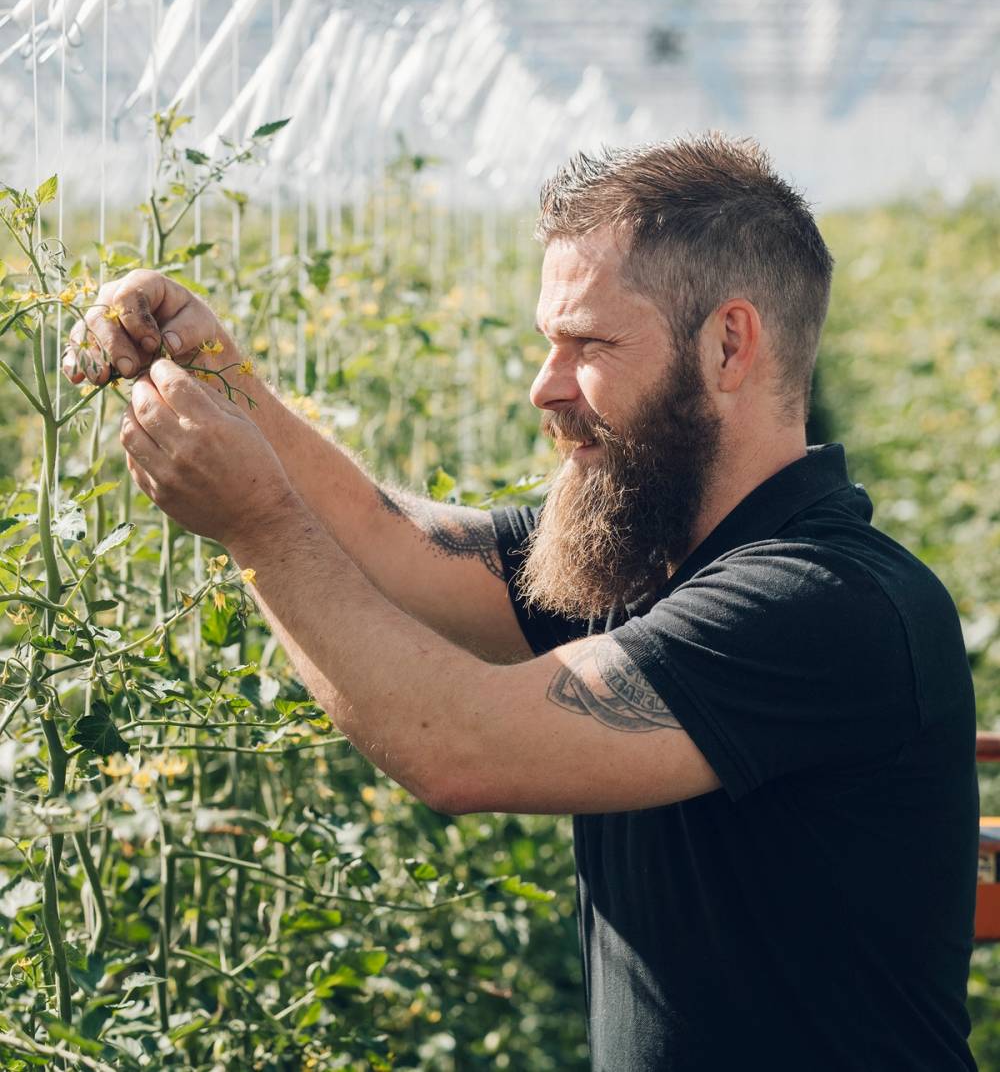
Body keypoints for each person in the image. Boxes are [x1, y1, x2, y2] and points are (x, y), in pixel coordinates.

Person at [62, 132, 979, 1072]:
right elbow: (394, 547)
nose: (544, 387)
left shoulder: (821, 602)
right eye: (550, 342)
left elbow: (460, 745)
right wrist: (223, 380)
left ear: (728, 345)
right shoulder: (649, 549)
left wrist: (254, 524)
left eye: (588, 345)